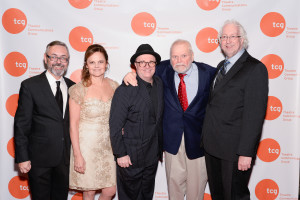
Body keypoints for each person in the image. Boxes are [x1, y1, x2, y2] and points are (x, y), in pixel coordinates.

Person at [124, 39, 216, 200]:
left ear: (192, 56)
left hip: (199, 141)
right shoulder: (162, 69)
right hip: (172, 141)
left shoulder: (209, 73)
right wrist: (129, 75)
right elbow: (143, 70)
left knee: (197, 189)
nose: (178, 60)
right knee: (174, 188)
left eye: (183, 55)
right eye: (174, 56)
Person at [202, 20, 269, 200]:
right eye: (224, 37)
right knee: (218, 195)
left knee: (235, 196)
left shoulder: (255, 68)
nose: (228, 40)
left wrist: (246, 153)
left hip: (234, 152)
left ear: (242, 40)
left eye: (233, 36)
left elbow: (254, 116)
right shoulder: (220, 67)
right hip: (212, 148)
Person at [14, 40, 75, 200]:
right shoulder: (30, 86)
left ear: (68, 61)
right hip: (38, 160)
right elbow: (22, 125)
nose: (59, 62)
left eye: (63, 58)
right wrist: (22, 157)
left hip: (65, 160)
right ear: (45, 58)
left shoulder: (73, 87)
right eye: (54, 57)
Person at [109, 44, 164, 200]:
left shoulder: (159, 84)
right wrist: (120, 154)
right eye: (141, 62)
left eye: (151, 62)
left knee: (147, 195)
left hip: (152, 156)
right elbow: (115, 125)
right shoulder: (124, 90)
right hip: (130, 158)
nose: (147, 66)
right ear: (135, 65)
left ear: (156, 64)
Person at [68, 44, 118, 200]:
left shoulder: (114, 86)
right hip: (86, 147)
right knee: (88, 192)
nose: (97, 66)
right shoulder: (78, 89)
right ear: (86, 65)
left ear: (106, 63)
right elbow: (73, 125)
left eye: (100, 62)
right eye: (92, 62)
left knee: (110, 190)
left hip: (108, 147)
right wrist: (77, 155)